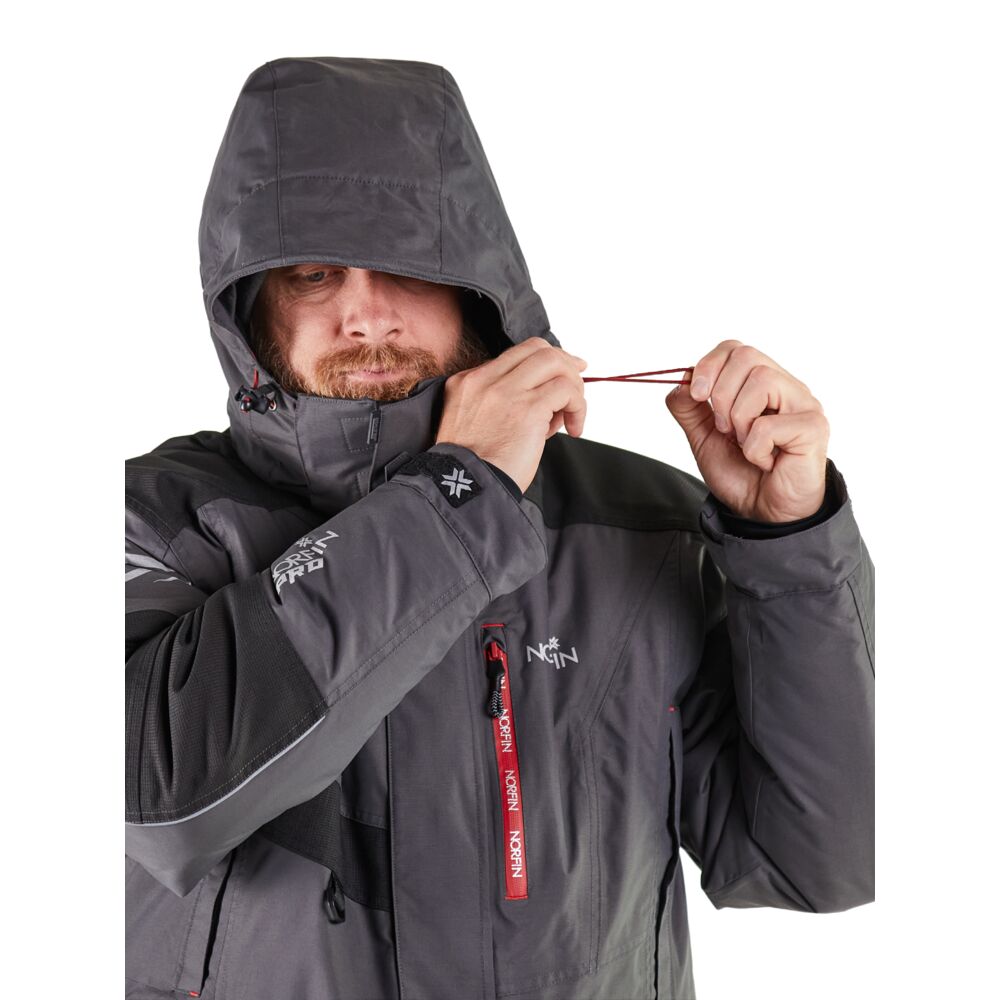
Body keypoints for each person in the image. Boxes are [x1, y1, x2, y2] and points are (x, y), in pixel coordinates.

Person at [125, 56, 874, 1000]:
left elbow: (814, 859)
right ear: (250, 302)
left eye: (407, 264)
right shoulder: (153, 520)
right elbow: (162, 801)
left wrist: (785, 544)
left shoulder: (638, 526)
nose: (365, 315)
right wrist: (458, 496)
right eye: (314, 273)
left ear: (477, 287)